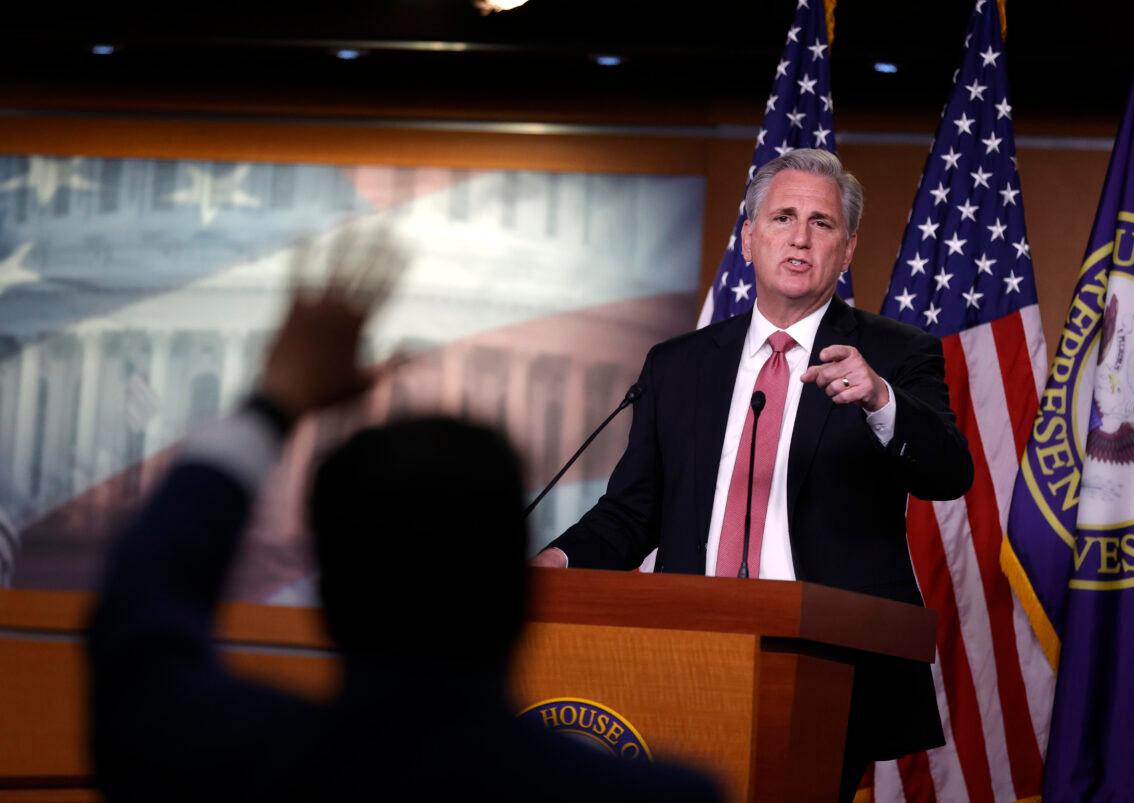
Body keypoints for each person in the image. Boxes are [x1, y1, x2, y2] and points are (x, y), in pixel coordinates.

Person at [87, 261, 721, 802]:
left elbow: (138, 621)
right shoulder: (659, 797)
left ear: (329, 599)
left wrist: (273, 406)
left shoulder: (229, 761)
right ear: (517, 599)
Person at [533, 149, 974, 802]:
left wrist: (882, 400)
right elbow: (632, 513)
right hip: (687, 654)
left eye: (822, 223)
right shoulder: (679, 365)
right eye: (783, 217)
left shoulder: (895, 354)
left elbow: (949, 471)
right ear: (748, 237)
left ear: (847, 248)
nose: (800, 237)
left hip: (830, 666)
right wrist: (558, 558)